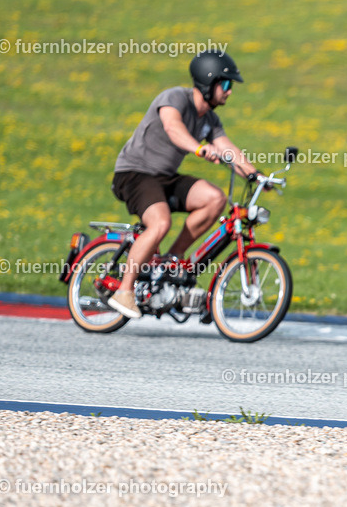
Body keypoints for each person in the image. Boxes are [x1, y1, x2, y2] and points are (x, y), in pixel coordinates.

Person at [107, 50, 263, 319]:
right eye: (225, 85)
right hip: (134, 173)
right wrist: (199, 149)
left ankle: (172, 260)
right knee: (160, 223)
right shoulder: (174, 98)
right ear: (207, 82)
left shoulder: (210, 120)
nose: (229, 92)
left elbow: (227, 149)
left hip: (165, 177)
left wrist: (255, 175)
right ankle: (124, 291)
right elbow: (173, 128)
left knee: (215, 198)